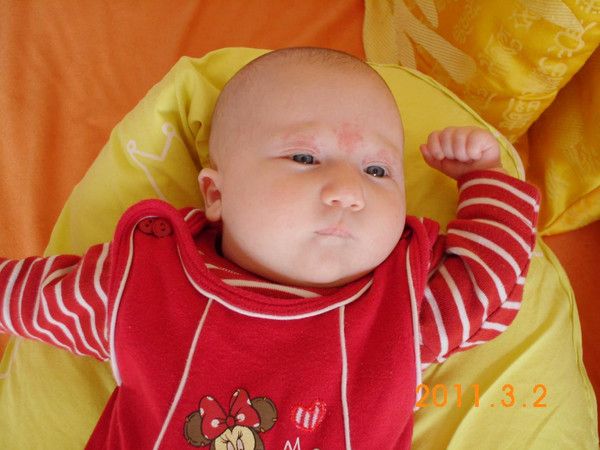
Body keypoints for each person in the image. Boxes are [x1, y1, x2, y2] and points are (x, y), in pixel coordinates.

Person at [0, 48, 539, 449]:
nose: (349, 191)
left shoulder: (405, 310)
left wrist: (484, 178)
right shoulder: (140, 285)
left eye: (377, 170)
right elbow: (30, 297)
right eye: (304, 158)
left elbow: (491, 281)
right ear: (216, 194)